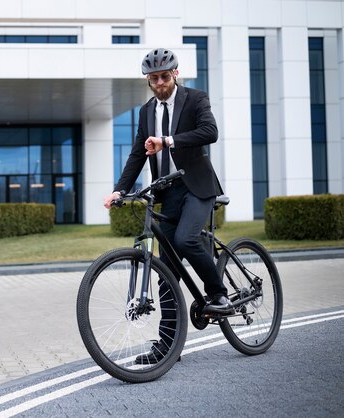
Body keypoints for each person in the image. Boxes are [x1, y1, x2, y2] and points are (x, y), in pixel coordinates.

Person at [103, 47, 233, 364]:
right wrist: (120, 190)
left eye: (164, 76)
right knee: (166, 274)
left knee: (185, 239)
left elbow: (210, 132)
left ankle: (219, 294)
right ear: (148, 80)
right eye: (153, 78)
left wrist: (168, 141)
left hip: (198, 187)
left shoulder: (196, 99)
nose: (159, 83)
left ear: (175, 74)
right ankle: (167, 347)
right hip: (169, 193)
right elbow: (137, 154)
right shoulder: (147, 112)